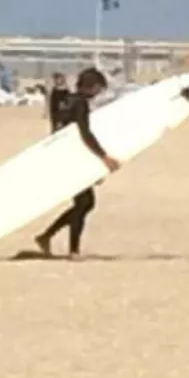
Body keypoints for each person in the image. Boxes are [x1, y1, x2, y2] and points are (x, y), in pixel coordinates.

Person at [35, 67, 120, 259]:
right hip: (71, 159)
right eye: (99, 90)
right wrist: (104, 158)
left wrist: (57, 90)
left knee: (84, 203)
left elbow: (55, 121)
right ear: (94, 87)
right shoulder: (80, 103)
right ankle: (71, 249)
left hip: (61, 157)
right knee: (84, 203)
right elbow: (85, 134)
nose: (99, 94)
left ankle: (46, 237)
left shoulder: (67, 100)